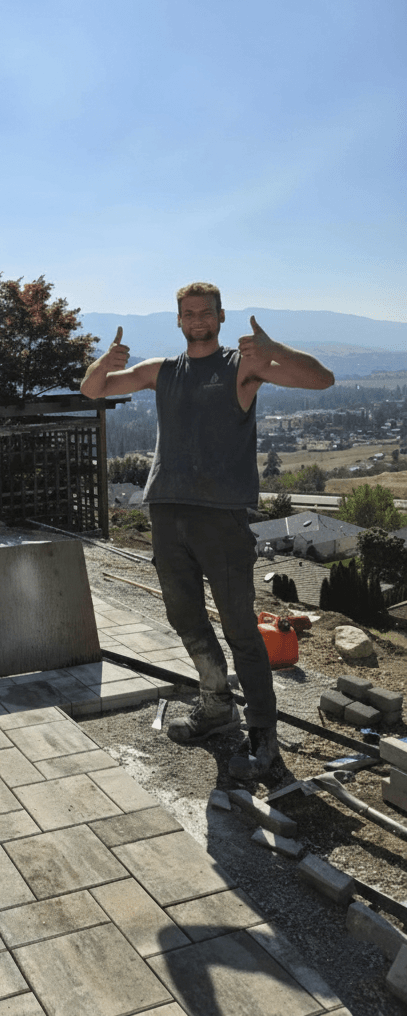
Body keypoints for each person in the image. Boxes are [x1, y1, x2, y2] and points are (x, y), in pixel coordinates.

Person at [81, 282, 334, 778]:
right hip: (167, 512)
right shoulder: (162, 371)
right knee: (185, 617)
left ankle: (264, 736)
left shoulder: (242, 366)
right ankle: (217, 708)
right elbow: (94, 389)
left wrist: (273, 348)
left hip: (222, 516)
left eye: (205, 312)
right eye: (188, 313)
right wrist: (105, 360)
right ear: (179, 320)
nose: (197, 319)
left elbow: (321, 380)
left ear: (220, 317)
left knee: (241, 628)